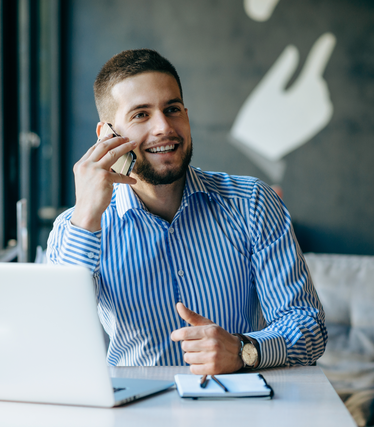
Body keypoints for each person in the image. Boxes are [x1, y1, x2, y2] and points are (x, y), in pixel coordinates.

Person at [47, 49, 327, 374]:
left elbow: (309, 327)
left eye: (172, 109)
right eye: (141, 115)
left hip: (237, 410)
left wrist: (243, 350)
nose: (164, 127)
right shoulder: (74, 227)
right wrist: (86, 218)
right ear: (107, 136)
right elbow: (55, 339)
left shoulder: (252, 202)